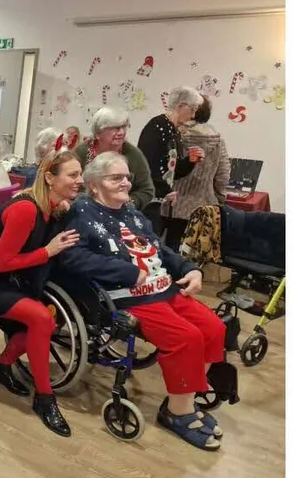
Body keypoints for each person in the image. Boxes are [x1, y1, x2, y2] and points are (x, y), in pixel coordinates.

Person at [55, 152, 227, 451]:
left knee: (214, 329)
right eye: (116, 178)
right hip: (128, 297)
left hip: (164, 288)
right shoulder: (81, 213)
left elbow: (159, 248)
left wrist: (190, 269)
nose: (125, 182)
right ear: (95, 185)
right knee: (186, 338)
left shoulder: (132, 212)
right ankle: (178, 413)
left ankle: (183, 396)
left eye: (126, 177)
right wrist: (126, 271)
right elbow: (72, 257)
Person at [0, 150, 83, 437]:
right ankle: (44, 397)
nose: (80, 181)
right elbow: (3, 262)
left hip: (4, 279)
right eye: (73, 175)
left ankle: (3, 366)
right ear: (50, 177)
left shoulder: (51, 205)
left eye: (80, 174)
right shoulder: (26, 209)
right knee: (40, 318)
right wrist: (47, 251)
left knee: (49, 319)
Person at [164, 95, 232, 250]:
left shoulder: (173, 135)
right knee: (195, 254)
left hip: (170, 205)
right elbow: (223, 174)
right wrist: (219, 199)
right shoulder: (217, 140)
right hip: (203, 204)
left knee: (168, 253)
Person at [137, 87, 203, 234]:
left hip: (160, 200)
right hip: (148, 199)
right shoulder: (156, 127)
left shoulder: (175, 131)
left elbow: (174, 170)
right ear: (180, 106)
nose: (193, 116)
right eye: (192, 110)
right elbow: (146, 165)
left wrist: (191, 161)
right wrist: (164, 189)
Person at [72, 106, 155, 211]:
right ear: (98, 133)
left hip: (121, 212)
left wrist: (127, 204)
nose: (121, 132)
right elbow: (69, 184)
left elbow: (146, 190)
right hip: (84, 210)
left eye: (124, 127)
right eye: (115, 128)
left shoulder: (133, 154)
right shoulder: (81, 152)